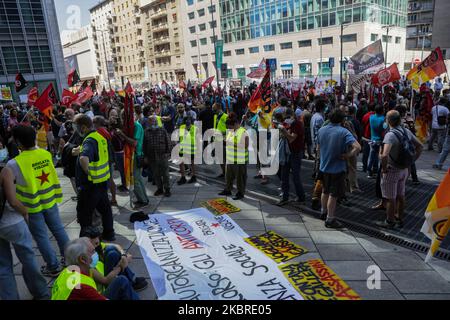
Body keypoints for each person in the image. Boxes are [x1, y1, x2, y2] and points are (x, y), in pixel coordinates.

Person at [10, 125, 69, 277]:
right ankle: (70, 259)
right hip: (50, 200)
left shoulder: (14, 163)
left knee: (41, 236)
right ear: (34, 137)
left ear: (18, 142)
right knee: (58, 230)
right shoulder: (45, 153)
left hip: (31, 206)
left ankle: (53, 266)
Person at [0, 163, 50, 300]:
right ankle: (41, 293)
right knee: (28, 258)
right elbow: (13, 201)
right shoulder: (4, 171)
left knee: (3, 266)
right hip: (12, 223)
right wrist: (25, 212)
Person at [51, 238, 140, 300]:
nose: (96, 253)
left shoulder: (68, 270)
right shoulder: (83, 286)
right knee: (122, 281)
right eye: (93, 251)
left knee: (121, 281)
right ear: (82, 259)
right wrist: (120, 267)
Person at [377, 110, 423, 229]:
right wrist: (412, 161)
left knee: (390, 197)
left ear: (389, 121)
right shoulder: (405, 130)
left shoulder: (390, 135)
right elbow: (420, 146)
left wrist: (384, 168)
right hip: (404, 169)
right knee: (401, 195)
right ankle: (399, 218)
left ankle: (389, 221)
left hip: (392, 169)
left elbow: (385, 155)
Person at [73, 114, 116, 241]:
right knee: (105, 209)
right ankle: (109, 233)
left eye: (77, 127)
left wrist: (88, 172)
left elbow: (84, 158)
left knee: (84, 214)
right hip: (102, 181)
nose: (75, 130)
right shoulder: (99, 137)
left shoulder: (89, 140)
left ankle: (85, 241)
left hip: (90, 184)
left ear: (84, 127)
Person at [317, 109, 361, 229]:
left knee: (325, 191)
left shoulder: (321, 130)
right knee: (334, 194)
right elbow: (357, 147)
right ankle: (330, 219)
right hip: (337, 168)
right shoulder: (344, 132)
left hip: (324, 166)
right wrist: (347, 155)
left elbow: (318, 147)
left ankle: (323, 212)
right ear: (342, 120)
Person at [80, 226, 148, 293]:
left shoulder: (96, 246)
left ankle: (131, 280)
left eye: (97, 243)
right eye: (93, 244)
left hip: (107, 274)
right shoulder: (86, 263)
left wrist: (123, 256)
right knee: (113, 255)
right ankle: (131, 281)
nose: (95, 247)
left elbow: (116, 246)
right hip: (105, 286)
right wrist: (121, 265)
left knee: (111, 250)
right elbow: (105, 281)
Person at [116, 112, 150, 209]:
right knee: (137, 179)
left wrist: (122, 134)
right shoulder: (133, 126)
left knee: (135, 179)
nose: (122, 119)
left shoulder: (136, 126)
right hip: (133, 155)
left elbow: (134, 143)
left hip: (136, 155)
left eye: (123, 117)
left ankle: (143, 200)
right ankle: (143, 199)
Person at [277, 108, 306, 206]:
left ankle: (301, 197)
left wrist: (284, 131)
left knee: (295, 176)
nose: (286, 120)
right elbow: (283, 136)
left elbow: (292, 139)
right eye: (285, 118)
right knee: (284, 175)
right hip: (287, 153)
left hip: (295, 153)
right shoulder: (287, 123)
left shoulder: (297, 124)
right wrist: (282, 131)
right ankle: (285, 197)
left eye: (287, 117)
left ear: (292, 116)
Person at [219, 113, 249, 200]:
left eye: (230, 127)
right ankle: (228, 189)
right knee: (228, 177)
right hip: (230, 159)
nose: (229, 129)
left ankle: (240, 193)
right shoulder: (232, 131)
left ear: (235, 124)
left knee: (240, 178)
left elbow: (245, 145)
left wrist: (231, 143)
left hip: (239, 160)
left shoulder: (243, 132)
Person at [143, 115, 172, 197]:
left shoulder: (162, 130)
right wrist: (145, 156)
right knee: (156, 174)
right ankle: (160, 189)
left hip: (163, 155)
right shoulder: (146, 131)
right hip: (151, 156)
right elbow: (144, 145)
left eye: (155, 120)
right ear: (149, 122)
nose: (154, 122)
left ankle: (167, 189)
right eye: (151, 120)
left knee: (165, 174)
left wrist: (168, 153)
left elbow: (168, 142)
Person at [177, 116, 198, 185]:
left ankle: (193, 176)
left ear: (191, 121)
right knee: (181, 163)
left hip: (191, 148)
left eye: (189, 120)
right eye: (186, 120)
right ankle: (183, 177)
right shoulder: (182, 127)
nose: (187, 121)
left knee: (192, 163)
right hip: (182, 147)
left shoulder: (195, 128)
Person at [367, 105, 385, 179]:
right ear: (382, 111)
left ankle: (369, 171)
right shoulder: (383, 119)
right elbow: (385, 128)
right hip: (380, 140)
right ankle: (379, 171)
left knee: (371, 156)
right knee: (380, 156)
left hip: (372, 139)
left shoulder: (371, 117)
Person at [212, 102, 228, 178]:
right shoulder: (216, 116)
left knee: (224, 157)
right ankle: (224, 172)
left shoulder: (225, 116)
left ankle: (228, 173)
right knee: (219, 158)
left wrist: (222, 132)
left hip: (224, 140)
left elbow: (230, 128)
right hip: (217, 139)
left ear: (218, 108)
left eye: (214, 109)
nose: (213, 110)